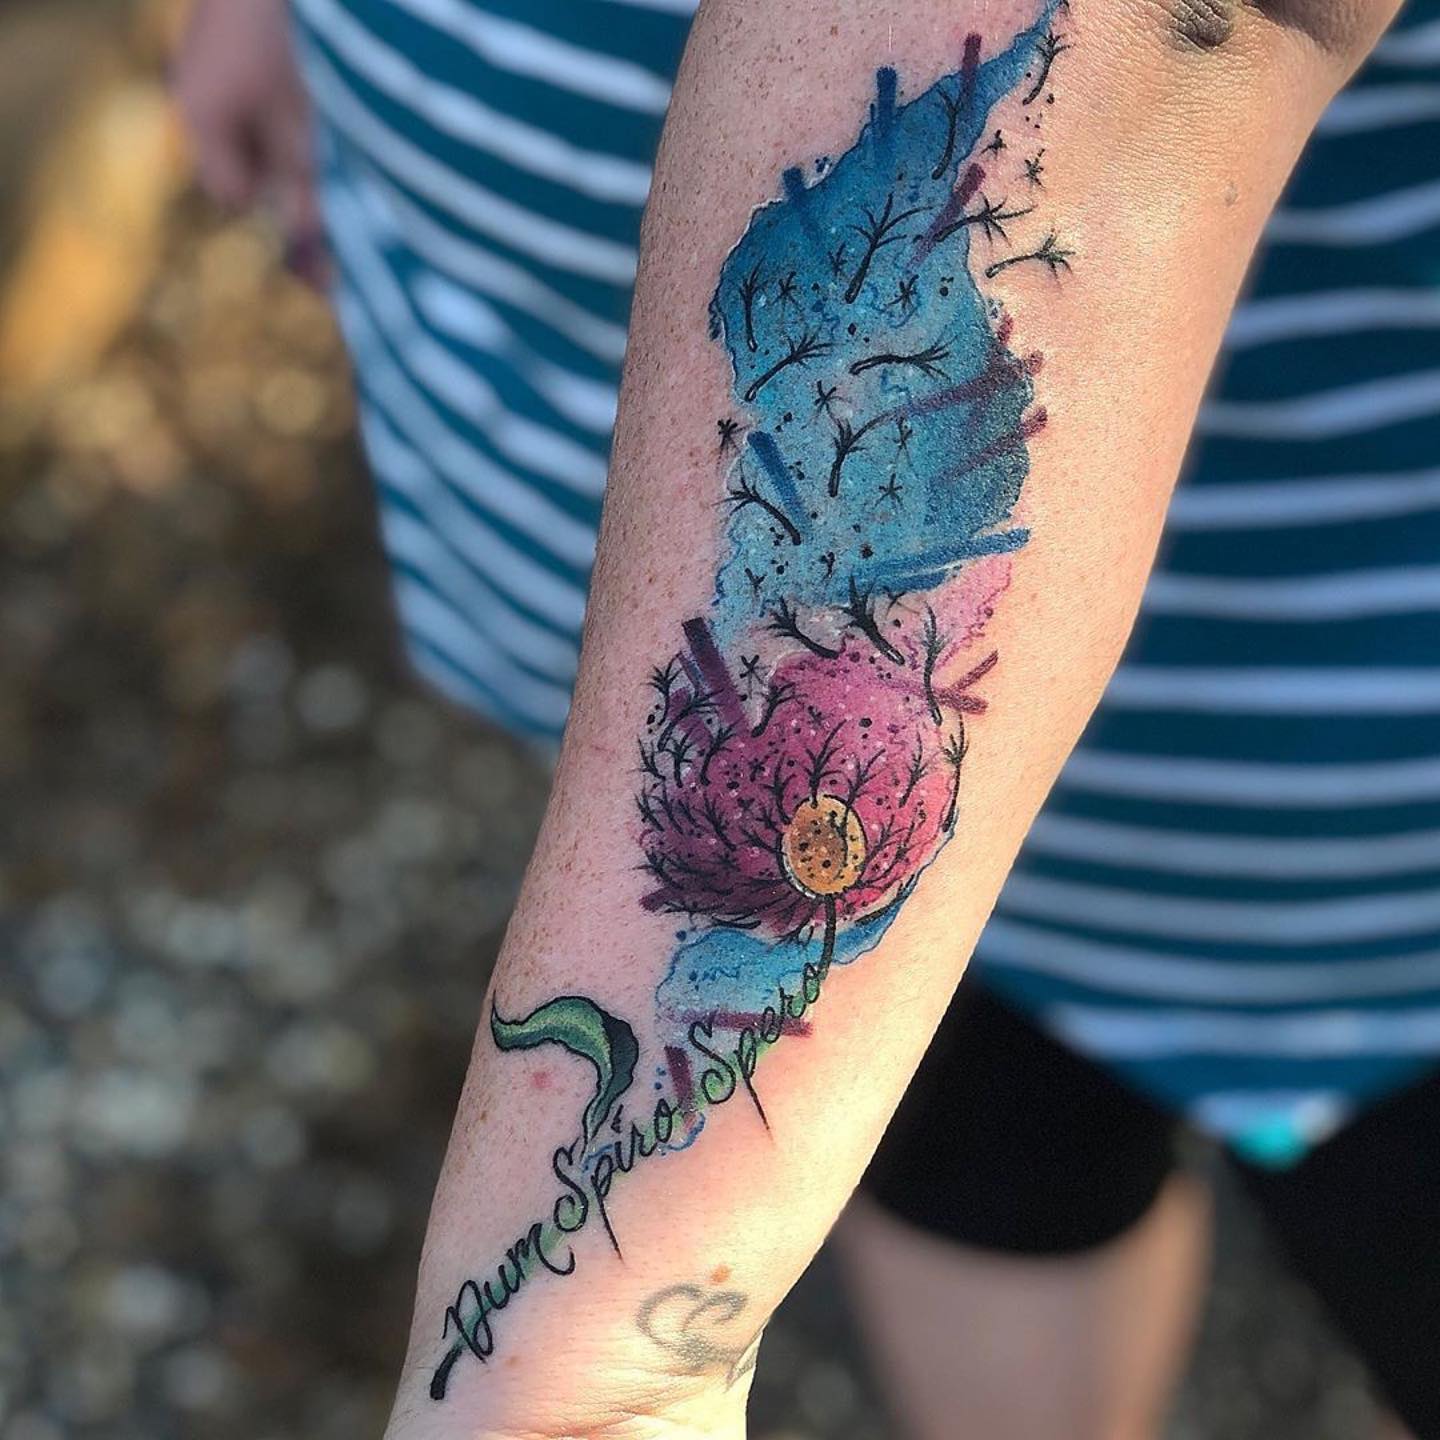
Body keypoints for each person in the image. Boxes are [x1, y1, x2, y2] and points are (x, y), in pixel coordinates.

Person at [173, 1, 1438, 1436]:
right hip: (797, 832)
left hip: (1320, 800)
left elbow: (1153, 28)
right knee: (976, 1170)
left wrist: (596, 1362)